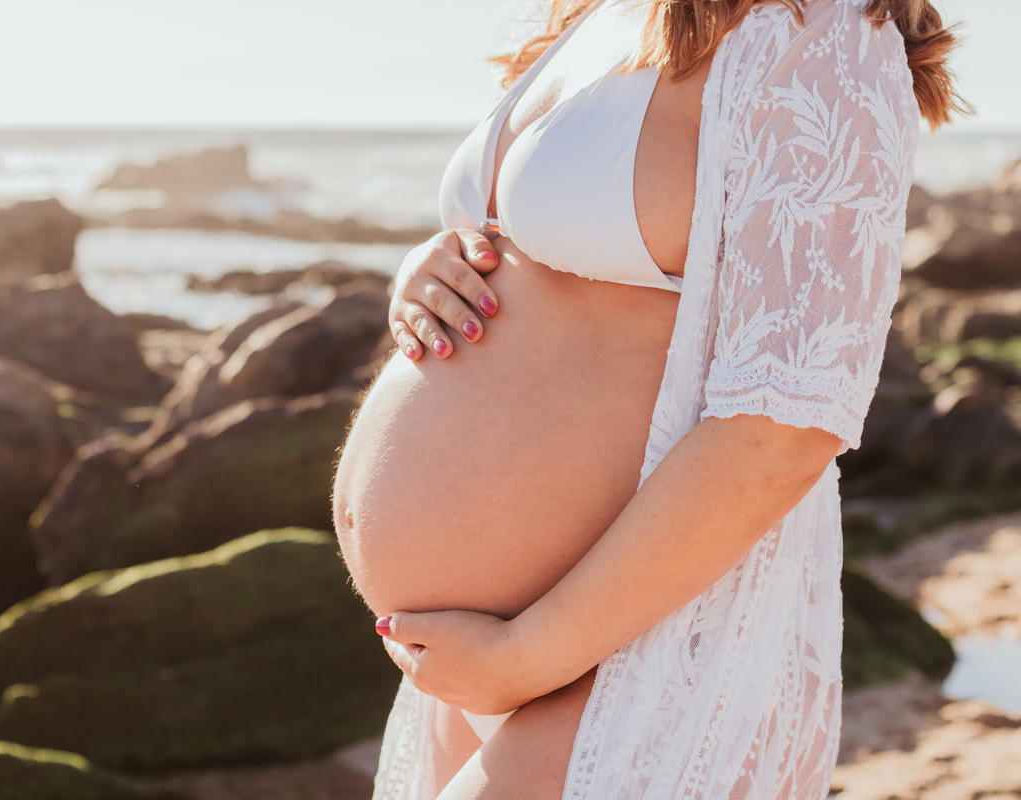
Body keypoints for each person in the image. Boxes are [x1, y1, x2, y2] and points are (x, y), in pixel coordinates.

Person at [331, 1, 964, 799]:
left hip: (634, 664)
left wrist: (522, 658)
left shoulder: (823, 31)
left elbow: (789, 422)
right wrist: (428, 269)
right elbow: (537, 261)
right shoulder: (609, 13)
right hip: (491, 663)